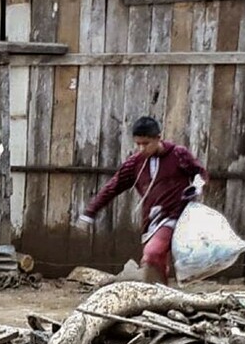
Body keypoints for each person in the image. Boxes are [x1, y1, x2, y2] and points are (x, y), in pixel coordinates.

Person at [77, 116, 208, 285]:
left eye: (146, 144)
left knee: (152, 254)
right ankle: (160, 297)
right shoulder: (135, 164)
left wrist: (196, 186)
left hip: (176, 216)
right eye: (138, 144)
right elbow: (112, 187)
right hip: (151, 221)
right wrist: (90, 212)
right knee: (155, 261)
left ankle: (155, 293)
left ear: (158, 138)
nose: (141, 148)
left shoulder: (178, 154)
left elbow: (199, 172)